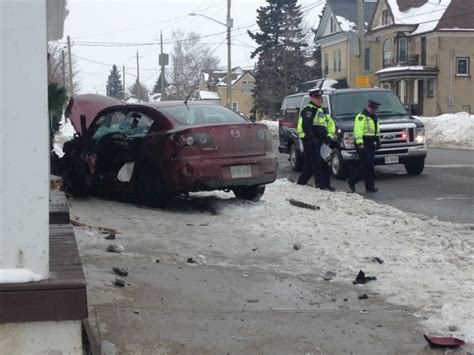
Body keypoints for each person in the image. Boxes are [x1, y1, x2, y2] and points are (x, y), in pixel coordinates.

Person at [296, 89, 336, 191]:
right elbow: (306, 126)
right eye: (317, 98)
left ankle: (305, 182)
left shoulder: (323, 111)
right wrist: (310, 139)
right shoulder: (308, 110)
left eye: (320, 98)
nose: (319, 100)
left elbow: (331, 125)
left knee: (323, 163)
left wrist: (329, 137)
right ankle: (322, 185)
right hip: (311, 142)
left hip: (322, 141)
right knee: (317, 164)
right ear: (312, 98)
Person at [347, 99, 381, 193]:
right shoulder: (361, 117)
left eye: (376, 109)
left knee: (370, 165)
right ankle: (352, 180)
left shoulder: (374, 117)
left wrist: (378, 141)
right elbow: (358, 131)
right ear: (369, 107)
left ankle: (370, 186)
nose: (375, 110)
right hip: (363, 142)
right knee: (364, 164)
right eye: (373, 108)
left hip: (371, 143)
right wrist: (360, 144)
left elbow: (376, 130)